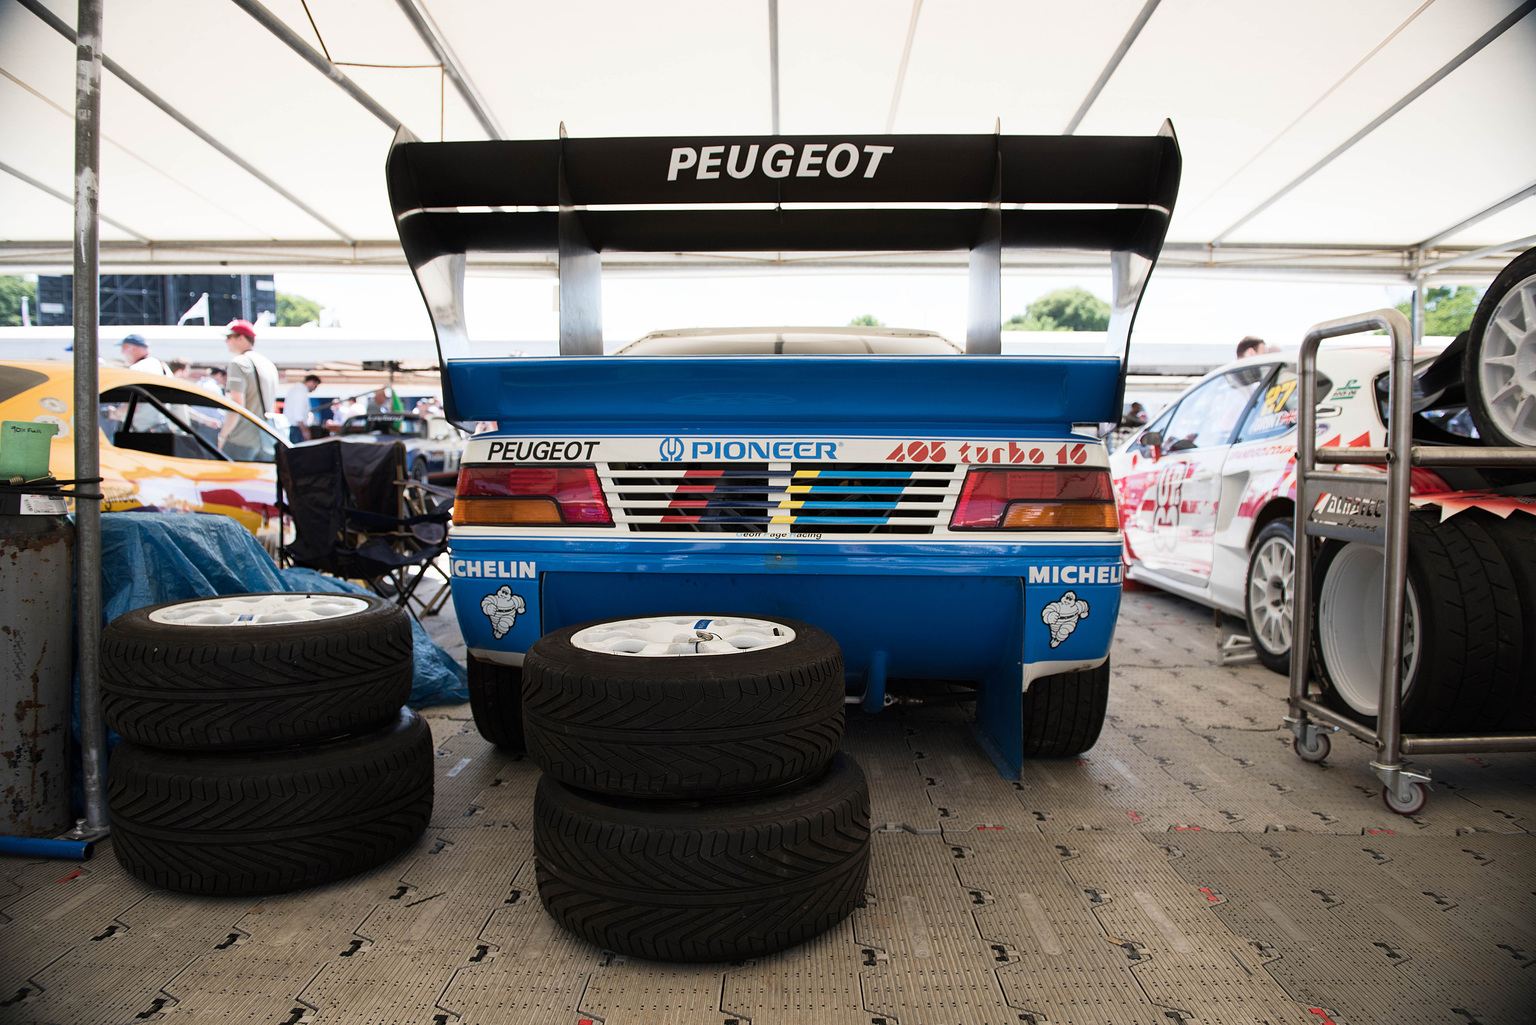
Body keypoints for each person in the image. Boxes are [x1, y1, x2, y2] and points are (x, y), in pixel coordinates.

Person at [219, 319, 279, 461]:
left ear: (241, 338)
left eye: (229, 337)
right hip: (265, 439)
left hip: (241, 440)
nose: (226, 342)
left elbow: (236, 406)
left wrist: (222, 436)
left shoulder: (238, 362)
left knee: (231, 482)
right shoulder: (267, 363)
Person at [283, 373, 322, 443]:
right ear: (311, 382)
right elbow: (298, 416)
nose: (314, 389)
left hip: (292, 427)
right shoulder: (300, 393)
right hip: (296, 429)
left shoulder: (294, 390)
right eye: (315, 386)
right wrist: (305, 431)